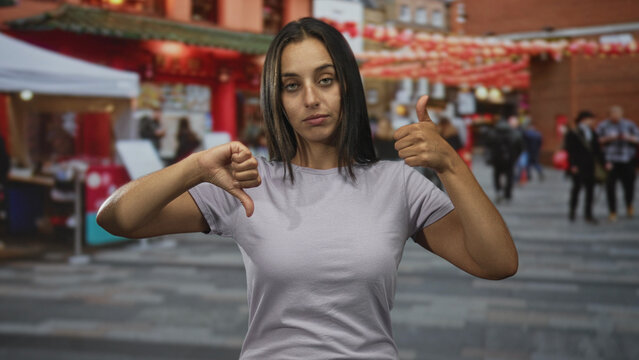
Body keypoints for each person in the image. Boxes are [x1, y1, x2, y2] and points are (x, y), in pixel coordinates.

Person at [97, 18, 517, 360]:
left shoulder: (397, 183)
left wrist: (450, 165)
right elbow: (117, 219)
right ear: (276, 98)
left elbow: (497, 262)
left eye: (326, 80)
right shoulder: (246, 182)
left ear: (347, 85)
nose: (311, 99)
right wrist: (194, 167)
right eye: (292, 85)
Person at [596, 105, 639, 221]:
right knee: (610, 187)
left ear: (622, 114)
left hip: (627, 160)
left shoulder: (629, 125)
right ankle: (613, 211)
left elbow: (637, 139)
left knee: (629, 185)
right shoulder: (603, 126)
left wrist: (627, 137)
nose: (616, 116)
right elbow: (596, 141)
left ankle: (629, 204)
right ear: (609, 115)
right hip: (610, 160)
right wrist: (609, 138)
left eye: (618, 114)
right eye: (613, 114)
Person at [564, 111, 604, 223]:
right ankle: (572, 211)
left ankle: (588, 214)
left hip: (590, 166)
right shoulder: (573, 133)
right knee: (576, 189)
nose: (593, 121)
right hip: (578, 166)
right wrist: (573, 165)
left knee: (590, 191)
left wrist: (603, 163)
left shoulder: (592, 132)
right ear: (584, 119)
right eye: (591, 119)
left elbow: (597, 150)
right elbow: (570, 150)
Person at [487, 117, 523, 203]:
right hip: (510, 159)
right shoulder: (514, 133)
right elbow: (520, 147)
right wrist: (515, 157)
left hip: (497, 159)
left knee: (497, 175)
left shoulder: (493, 133)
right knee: (510, 176)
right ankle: (508, 194)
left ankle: (498, 190)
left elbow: (488, 145)